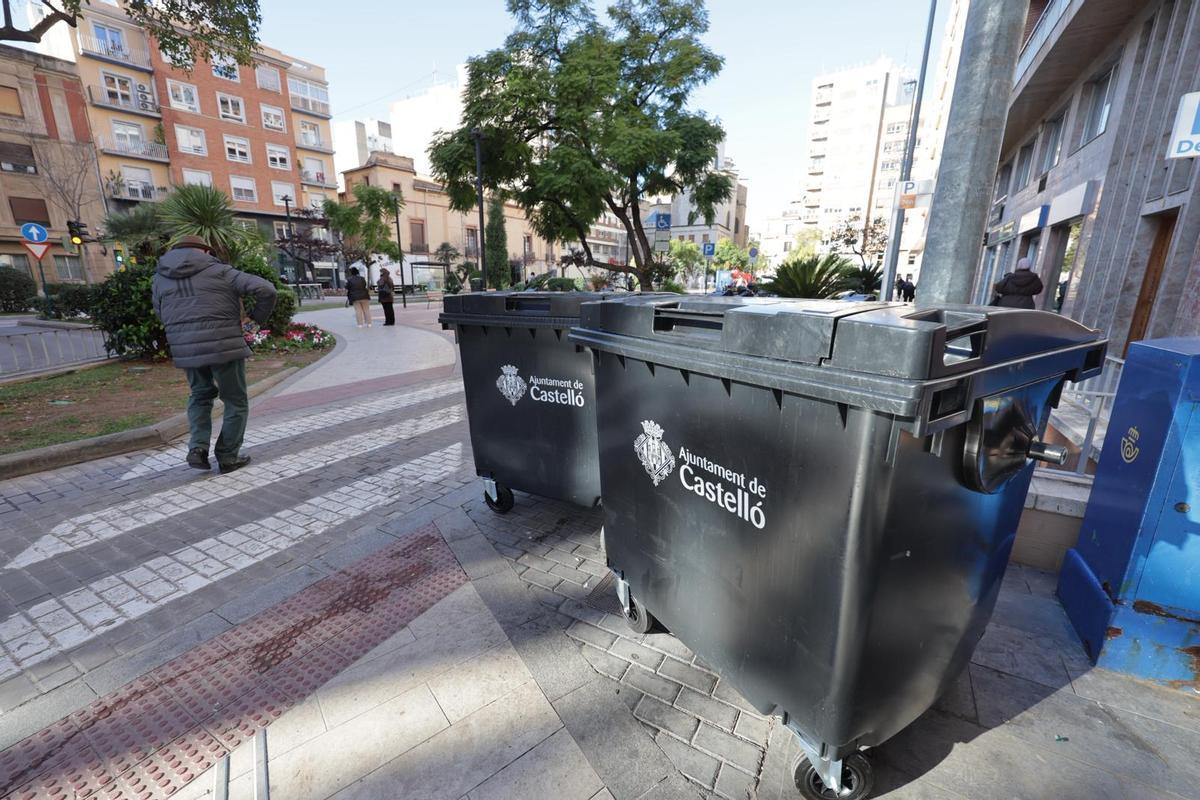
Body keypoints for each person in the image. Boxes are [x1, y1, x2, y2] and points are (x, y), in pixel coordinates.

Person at [152, 235, 277, 474]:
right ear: (205, 252)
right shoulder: (220, 271)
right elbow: (267, 290)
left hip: (186, 348)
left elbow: (161, 312)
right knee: (235, 400)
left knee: (199, 395)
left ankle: (197, 448)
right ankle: (228, 456)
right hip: (224, 346)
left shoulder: (160, 277)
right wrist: (254, 321)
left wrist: (182, 333)